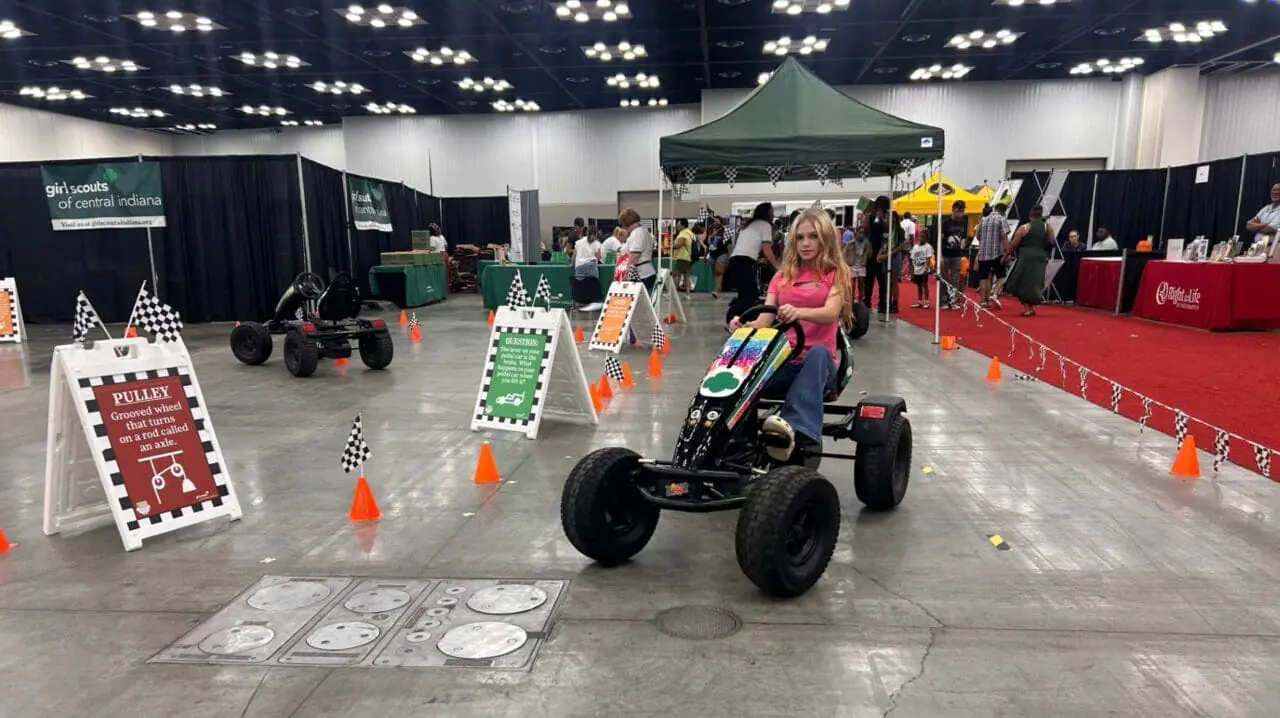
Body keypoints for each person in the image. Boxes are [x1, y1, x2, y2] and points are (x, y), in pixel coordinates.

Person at [728, 207, 852, 461]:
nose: (806, 243)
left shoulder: (836, 273)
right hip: (785, 359)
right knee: (745, 362)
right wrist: (743, 326)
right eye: (800, 237)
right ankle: (734, 434)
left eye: (813, 236)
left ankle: (797, 428)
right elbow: (765, 320)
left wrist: (800, 312)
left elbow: (831, 312)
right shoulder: (782, 276)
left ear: (825, 238)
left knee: (817, 353)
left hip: (820, 364)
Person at [725, 202, 779, 328]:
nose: (773, 214)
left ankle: (739, 319)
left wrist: (757, 260)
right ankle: (732, 319)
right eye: (772, 212)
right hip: (744, 261)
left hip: (736, 260)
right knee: (750, 296)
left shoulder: (749, 225)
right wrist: (777, 266)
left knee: (745, 294)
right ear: (768, 213)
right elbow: (767, 249)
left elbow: (747, 247)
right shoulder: (765, 225)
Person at [1004, 205, 1054, 316]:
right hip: (1040, 257)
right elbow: (1051, 242)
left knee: (1022, 282)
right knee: (1035, 283)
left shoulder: (1024, 228)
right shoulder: (1047, 227)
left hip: (1025, 257)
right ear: (1041, 215)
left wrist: (1005, 256)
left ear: (1030, 215)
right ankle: (1031, 308)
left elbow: (1013, 244)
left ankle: (1027, 308)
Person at [975, 202, 1010, 309]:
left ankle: (983, 301)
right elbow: (1005, 237)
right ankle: (994, 294)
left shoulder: (983, 219)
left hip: (983, 253)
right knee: (1002, 276)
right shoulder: (1001, 219)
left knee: (983, 277)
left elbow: (978, 236)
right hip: (997, 253)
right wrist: (1007, 252)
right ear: (1004, 211)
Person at [863, 197, 892, 312]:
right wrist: (867, 216)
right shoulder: (871, 217)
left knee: (883, 281)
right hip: (871, 252)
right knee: (868, 280)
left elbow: (888, 230)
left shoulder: (888, 217)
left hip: (883, 251)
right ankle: (867, 301)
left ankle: (882, 303)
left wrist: (883, 218)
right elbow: (866, 230)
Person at [618, 208, 656, 292]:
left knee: (636, 303)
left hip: (640, 274)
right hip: (646, 272)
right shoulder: (643, 231)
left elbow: (634, 256)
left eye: (622, 225)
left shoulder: (637, 233)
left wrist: (625, 275)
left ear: (626, 223)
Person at [939, 200, 967, 309]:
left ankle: (953, 301)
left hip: (957, 254)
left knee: (956, 278)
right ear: (953, 210)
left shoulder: (963, 223)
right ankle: (943, 300)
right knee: (944, 278)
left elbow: (963, 238)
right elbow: (940, 238)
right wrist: (940, 254)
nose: (960, 213)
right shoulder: (946, 223)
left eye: (962, 211)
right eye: (958, 211)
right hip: (945, 253)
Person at [1245, 183, 1280, 248]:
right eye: (1274, 190)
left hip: (1273, 248)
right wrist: (1264, 225)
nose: (1276, 192)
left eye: (1279, 190)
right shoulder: (1266, 208)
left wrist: (1255, 227)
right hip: (1257, 247)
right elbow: (1248, 225)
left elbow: (1268, 229)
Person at [842, 224, 869, 305]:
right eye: (860, 232)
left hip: (861, 265)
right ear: (856, 233)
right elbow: (843, 254)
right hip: (852, 265)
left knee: (861, 284)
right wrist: (848, 262)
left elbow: (869, 254)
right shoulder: (850, 243)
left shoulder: (866, 243)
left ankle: (860, 302)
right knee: (852, 285)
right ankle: (851, 302)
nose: (861, 234)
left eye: (863, 233)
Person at [909, 233, 935, 309]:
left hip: (923, 269)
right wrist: (912, 271)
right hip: (916, 269)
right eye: (920, 236)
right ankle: (919, 301)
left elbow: (928, 258)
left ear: (926, 238)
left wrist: (926, 268)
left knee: (924, 285)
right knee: (918, 285)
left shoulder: (928, 247)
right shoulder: (915, 247)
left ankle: (927, 301)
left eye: (923, 237)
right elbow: (912, 259)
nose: (921, 238)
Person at [671, 218, 695, 297]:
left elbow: (679, 244)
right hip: (689, 257)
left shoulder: (683, 233)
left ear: (683, 226)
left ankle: (673, 294)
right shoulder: (691, 233)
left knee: (677, 275)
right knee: (687, 276)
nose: (677, 228)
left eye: (678, 226)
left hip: (682, 257)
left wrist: (670, 246)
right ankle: (688, 294)